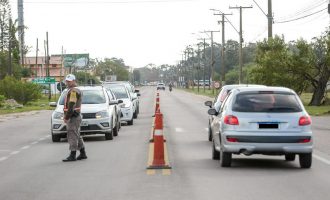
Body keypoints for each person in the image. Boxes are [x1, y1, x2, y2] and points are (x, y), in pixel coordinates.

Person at [62, 74, 87, 162]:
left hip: (73, 116)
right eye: (67, 81)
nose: (68, 82)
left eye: (69, 81)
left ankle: (72, 155)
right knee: (77, 134)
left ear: (74, 81)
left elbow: (71, 105)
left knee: (72, 135)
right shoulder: (72, 90)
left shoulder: (73, 91)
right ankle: (83, 153)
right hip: (75, 116)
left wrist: (66, 117)